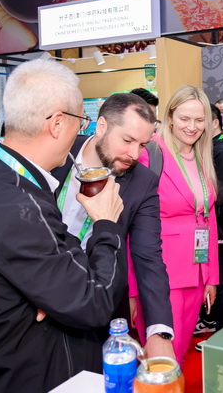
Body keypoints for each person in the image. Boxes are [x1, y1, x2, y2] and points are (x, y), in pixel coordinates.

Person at [0, 59, 129, 393]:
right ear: (58, 123)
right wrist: (106, 224)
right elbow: (94, 301)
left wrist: (50, 296)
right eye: (81, 121)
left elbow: (57, 265)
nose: (81, 132)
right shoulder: (18, 203)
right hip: (26, 374)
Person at [51, 92, 174, 363]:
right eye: (127, 141)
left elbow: (149, 256)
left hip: (100, 304)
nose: (135, 154)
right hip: (39, 292)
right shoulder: (56, 152)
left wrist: (159, 332)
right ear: (102, 126)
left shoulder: (143, 182)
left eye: (143, 144)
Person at [135, 85, 219, 367]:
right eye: (184, 118)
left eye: (199, 119)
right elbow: (133, 224)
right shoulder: (150, 154)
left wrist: (211, 276)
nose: (192, 127)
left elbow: (209, 219)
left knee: (180, 352)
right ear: (169, 117)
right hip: (160, 273)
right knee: (162, 359)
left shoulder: (201, 156)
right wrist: (132, 289)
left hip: (196, 270)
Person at [195, 104, 223, 349]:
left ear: (214, 122)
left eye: (201, 120)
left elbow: (220, 192)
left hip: (219, 227)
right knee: (208, 281)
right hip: (209, 227)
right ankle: (209, 321)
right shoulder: (210, 147)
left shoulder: (221, 151)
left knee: (218, 282)